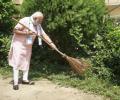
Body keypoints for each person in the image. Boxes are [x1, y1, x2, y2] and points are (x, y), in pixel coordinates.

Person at [8, 11, 56, 90]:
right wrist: (27, 33)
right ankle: (15, 83)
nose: (41, 22)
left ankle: (25, 79)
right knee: (17, 62)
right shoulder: (24, 20)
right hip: (19, 44)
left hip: (28, 45)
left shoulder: (38, 25)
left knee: (27, 61)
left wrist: (51, 43)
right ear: (35, 18)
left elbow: (44, 35)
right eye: (40, 20)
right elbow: (15, 31)